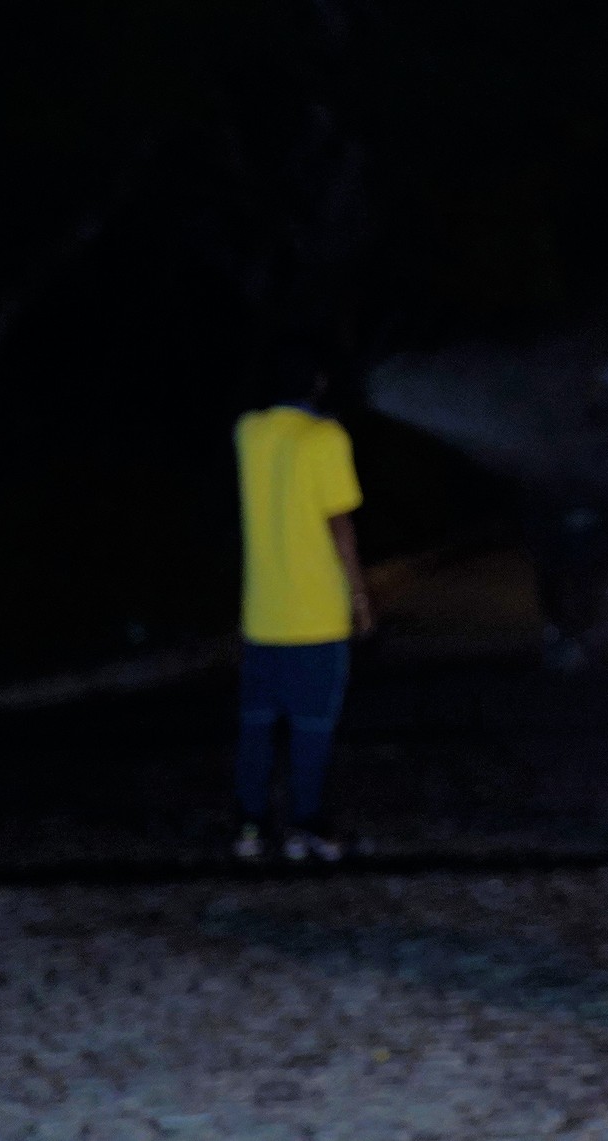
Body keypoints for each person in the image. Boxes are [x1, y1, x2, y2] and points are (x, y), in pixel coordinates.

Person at [232, 341, 372, 864]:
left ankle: (249, 827)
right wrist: (359, 595)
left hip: (262, 616)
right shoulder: (326, 438)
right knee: (312, 729)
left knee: (257, 728)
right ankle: (304, 825)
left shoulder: (248, 433)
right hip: (316, 617)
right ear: (319, 382)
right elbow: (341, 525)